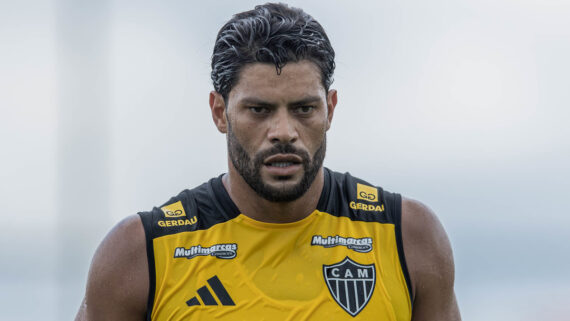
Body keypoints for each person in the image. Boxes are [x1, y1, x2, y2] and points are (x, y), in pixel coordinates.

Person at [75, 3, 461, 321]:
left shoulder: (407, 236)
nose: (283, 131)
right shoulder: (139, 253)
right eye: (259, 110)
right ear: (219, 112)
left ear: (330, 109)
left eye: (304, 109)